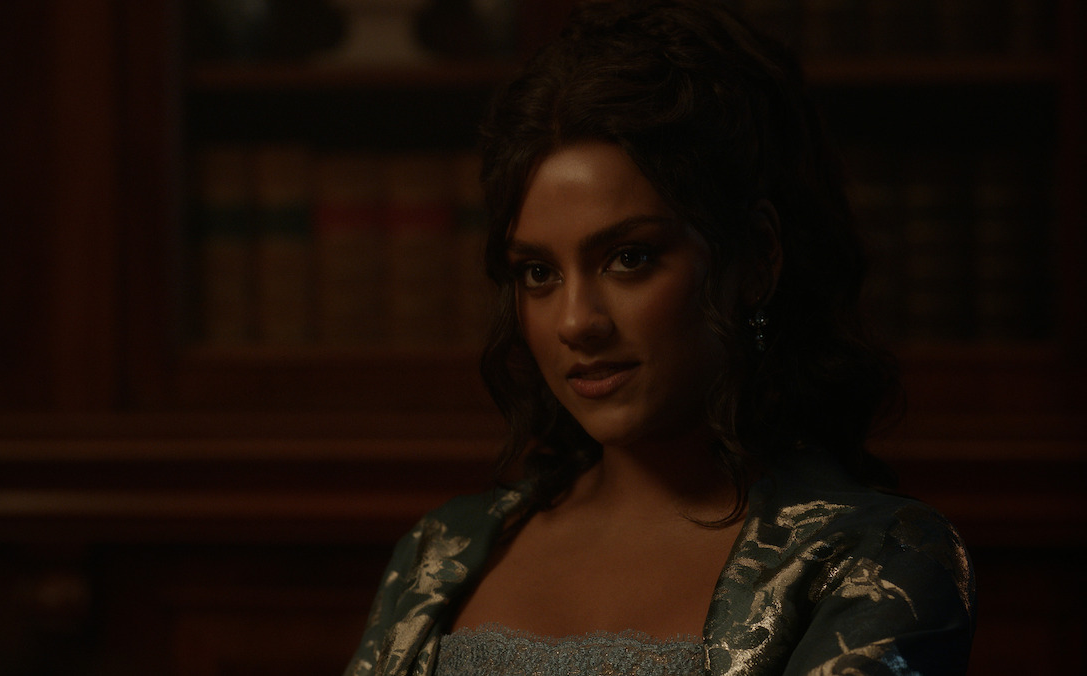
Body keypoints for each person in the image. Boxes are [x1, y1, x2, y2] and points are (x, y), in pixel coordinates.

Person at [344, 1, 976, 674]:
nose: (576, 321)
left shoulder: (872, 559)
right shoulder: (439, 553)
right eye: (538, 272)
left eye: (629, 258)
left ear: (755, 257)